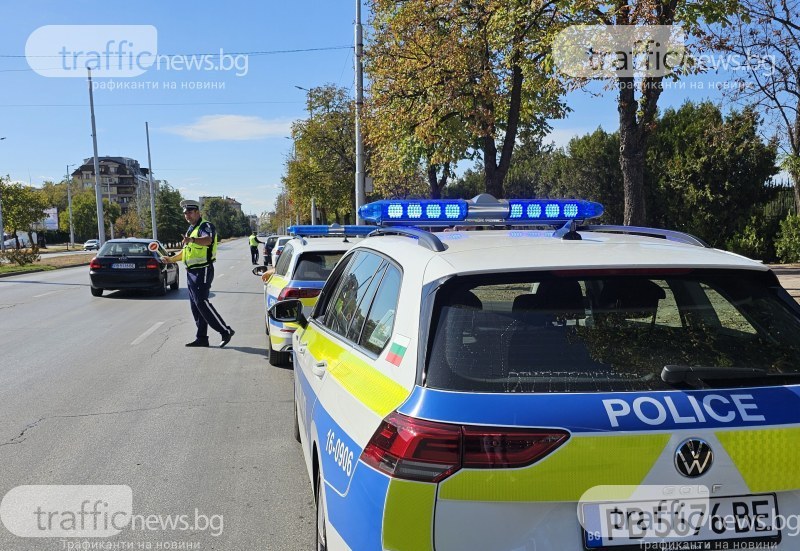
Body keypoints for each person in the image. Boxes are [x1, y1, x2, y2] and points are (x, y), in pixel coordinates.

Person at [164, 200, 235, 348]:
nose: (187, 215)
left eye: (190, 212)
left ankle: (225, 330)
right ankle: (202, 337)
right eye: (185, 213)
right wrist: (170, 259)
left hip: (202, 270)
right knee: (195, 306)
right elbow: (185, 252)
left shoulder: (205, 226)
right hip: (191, 272)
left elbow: (208, 240)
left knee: (201, 302)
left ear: (197, 212)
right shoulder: (191, 229)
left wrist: (192, 239)